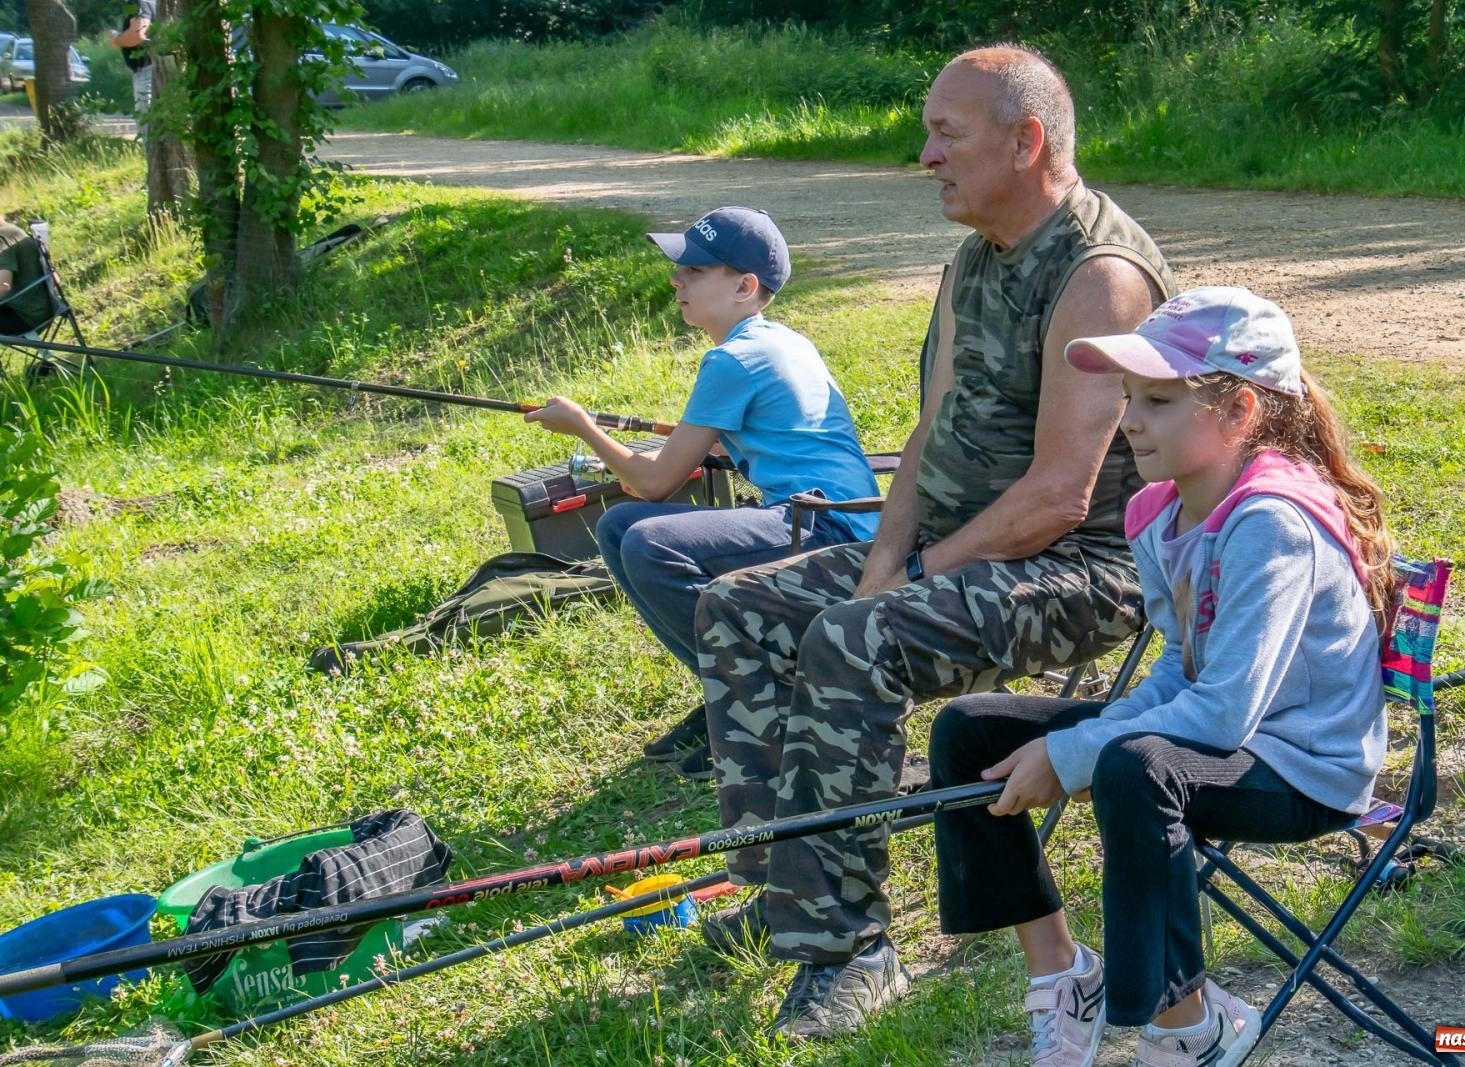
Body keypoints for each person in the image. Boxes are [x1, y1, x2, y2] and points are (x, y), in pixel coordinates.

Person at [693, 45, 1174, 1040]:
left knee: (852, 643)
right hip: (959, 546)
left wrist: (905, 581)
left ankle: (851, 950)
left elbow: (1055, 494)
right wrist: (881, 564)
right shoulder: (971, 260)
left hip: (1079, 570)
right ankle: (789, 888)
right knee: (737, 606)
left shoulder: (1100, 275)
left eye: (945, 135)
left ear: (1025, 140)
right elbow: (930, 429)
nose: (924, 156)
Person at [929, 286, 1396, 1067]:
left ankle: (1189, 1024)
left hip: (1307, 769)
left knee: (1135, 768)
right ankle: (1063, 972)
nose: (1130, 419)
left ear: (1241, 410)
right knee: (970, 729)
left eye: (1157, 399)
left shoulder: (1271, 523)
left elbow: (1220, 713)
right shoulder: (1165, 515)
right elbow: (1183, 671)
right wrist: (1079, 738)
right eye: (1127, 396)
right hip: (1229, 736)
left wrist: (1076, 753)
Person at [524, 206, 881, 779]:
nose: (677, 279)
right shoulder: (778, 341)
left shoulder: (734, 359)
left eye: (694, 269)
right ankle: (728, 694)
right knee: (621, 527)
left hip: (828, 525)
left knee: (646, 543)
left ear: (744, 287)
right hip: (839, 517)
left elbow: (658, 482)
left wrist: (584, 427)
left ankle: (769, 705)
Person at [0, 215, 51, 336]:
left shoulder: (2, 238)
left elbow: (3, 286)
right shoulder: (11, 231)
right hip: (36, 309)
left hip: (24, 316)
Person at [107, 1, 156, 126]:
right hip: (162, 69)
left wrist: (116, 40)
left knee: (148, 127)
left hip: (147, 72)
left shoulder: (140, 2)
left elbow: (138, 34)